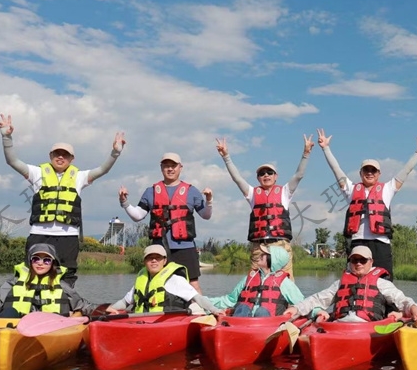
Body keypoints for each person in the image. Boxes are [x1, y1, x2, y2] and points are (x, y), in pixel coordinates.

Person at [0, 114, 125, 286]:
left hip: (68, 237)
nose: (60, 157)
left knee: (65, 277)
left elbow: (103, 170)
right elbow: (12, 161)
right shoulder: (37, 173)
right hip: (39, 234)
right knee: (32, 276)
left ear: (72, 159)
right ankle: (31, 309)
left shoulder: (79, 177)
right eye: (57, 154)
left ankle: (64, 309)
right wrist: (6, 137)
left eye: (65, 155)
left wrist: (115, 153)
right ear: (51, 155)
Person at [317, 129, 417, 277]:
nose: (369, 173)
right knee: (355, 282)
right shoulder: (352, 189)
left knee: (384, 282)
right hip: (358, 242)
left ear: (379, 174)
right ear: (360, 173)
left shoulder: (387, 190)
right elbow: (336, 169)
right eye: (366, 170)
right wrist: (326, 148)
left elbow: (406, 171)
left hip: (380, 244)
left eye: (373, 170)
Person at [215, 135, 314, 278]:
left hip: (280, 246)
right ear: (258, 178)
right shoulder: (252, 194)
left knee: (285, 285)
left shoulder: (285, 192)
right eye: (262, 173)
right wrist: (226, 157)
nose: (266, 175)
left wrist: (306, 154)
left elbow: (299, 175)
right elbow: (237, 178)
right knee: (254, 285)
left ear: (276, 176)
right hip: (259, 248)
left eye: (269, 172)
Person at [119, 152, 213, 293]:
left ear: (180, 167)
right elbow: (138, 215)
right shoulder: (150, 192)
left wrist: (209, 200)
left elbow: (206, 215)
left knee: (192, 284)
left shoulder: (191, 191)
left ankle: (203, 312)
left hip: (185, 247)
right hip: (159, 248)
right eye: (166, 166)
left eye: (173, 166)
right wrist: (124, 202)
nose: (170, 169)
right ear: (161, 168)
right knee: (157, 284)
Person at [287, 245, 416, 322]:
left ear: (371, 262)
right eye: (355, 260)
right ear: (350, 262)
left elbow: (401, 299)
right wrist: (297, 308)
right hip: (340, 326)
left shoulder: (381, 283)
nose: (358, 263)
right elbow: (318, 299)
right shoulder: (340, 283)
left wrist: (412, 308)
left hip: (368, 327)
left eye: (363, 260)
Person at [0, 244, 92, 318]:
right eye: (36, 259)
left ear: (53, 264)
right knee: (10, 311)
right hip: (15, 327)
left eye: (46, 260)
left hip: (49, 327)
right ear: (30, 262)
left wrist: (81, 313)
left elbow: (83, 306)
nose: (40, 263)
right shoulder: (13, 282)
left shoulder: (61, 286)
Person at [106, 245, 223, 317]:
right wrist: (111, 308)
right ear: (144, 262)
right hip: (141, 321)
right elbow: (125, 302)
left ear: (164, 261)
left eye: (158, 258)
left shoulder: (175, 280)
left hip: (166, 322)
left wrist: (214, 310)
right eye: (149, 258)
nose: (154, 261)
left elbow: (198, 298)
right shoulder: (141, 280)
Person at [209, 245, 304, 317]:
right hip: (241, 322)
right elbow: (230, 300)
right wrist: (205, 301)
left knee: (261, 311)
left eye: (265, 254)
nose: (260, 255)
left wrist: (316, 312)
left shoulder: (284, 283)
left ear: (274, 259)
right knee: (242, 308)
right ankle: (234, 332)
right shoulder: (249, 279)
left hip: (267, 325)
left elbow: (302, 303)